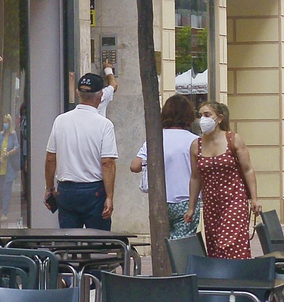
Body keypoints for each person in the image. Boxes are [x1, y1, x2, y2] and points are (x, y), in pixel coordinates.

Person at [44, 72, 118, 229]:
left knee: (69, 244)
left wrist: (49, 188)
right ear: (101, 95)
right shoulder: (104, 125)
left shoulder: (60, 120)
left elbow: (51, 158)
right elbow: (107, 162)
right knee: (99, 243)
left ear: (78, 93)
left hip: (67, 190)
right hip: (94, 191)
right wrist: (109, 196)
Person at [186, 100, 257, 258]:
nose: (202, 119)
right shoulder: (196, 145)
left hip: (234, 199)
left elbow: (248, 169)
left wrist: (254, 198)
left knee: (229, 244)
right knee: (215, 245)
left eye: (207, 115)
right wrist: (192, 207)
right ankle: (222, 278)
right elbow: (196, 177)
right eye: (200, 115)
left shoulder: (233, 140)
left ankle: (235, 276)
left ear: (219, 118)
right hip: (211, 203)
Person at [130, 93, 199, 239]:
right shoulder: (195, 141)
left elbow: (134, 166)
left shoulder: (155, 139)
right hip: (187, 200)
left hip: (160, 199)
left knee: (162, 242)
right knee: (181, 245)